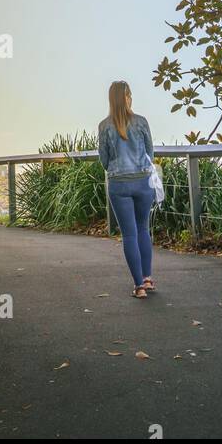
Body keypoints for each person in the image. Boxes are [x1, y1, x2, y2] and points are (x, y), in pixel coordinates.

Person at [97, 81, 156, 299]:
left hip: (118, 184)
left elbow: (104, 161)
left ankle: (139, 286)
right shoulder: (141, 122)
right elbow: (151, 153)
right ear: (128, 96)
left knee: (129, 234)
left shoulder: (104, 126)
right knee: (143, 230)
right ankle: (148, 279)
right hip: (143, 182)